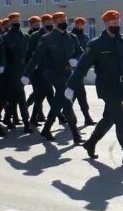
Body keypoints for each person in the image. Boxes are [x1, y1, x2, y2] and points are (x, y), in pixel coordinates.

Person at [66, 9, 123, 165]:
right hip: (107, 87)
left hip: (121, 87)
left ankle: (90, 143)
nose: (116, 26)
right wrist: (71, 86)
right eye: (113, 24)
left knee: (109, 118)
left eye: (118, 23)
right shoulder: (96, 44)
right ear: (106, 24)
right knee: (121, 117)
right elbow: (82, 67)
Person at [21, 11, 83, 143]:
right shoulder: (47, 39)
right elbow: (35, 58)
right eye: (60, 20)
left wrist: (76, 59)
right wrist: (26, 74)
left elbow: (80, 52)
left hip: (68, 73)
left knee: (58, 100)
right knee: (66, 99)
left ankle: (46, 128)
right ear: (54, 23)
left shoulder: (72, 37)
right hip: (53, 73)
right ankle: (75, 134)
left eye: (64, 19)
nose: (63, 22)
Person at [0, 12, 32, 133]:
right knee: (20, 97)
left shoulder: (25, 36)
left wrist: (28, 71)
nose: (16, 22)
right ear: (9, 22)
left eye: (18, 20)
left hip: (22, 69)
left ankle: (7, 118)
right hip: (11, 71)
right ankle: (26, 123)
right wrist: (3, 67)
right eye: (13, 20)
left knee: (13, 97)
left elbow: (30, 55)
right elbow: (3, 55)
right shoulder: (5, 37)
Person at [69, 17, 95, 126]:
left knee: (76, 93)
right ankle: (86, 117)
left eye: (82, 24)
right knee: (80, 93)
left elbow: (88, 51)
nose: (80, 26)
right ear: (74, 24)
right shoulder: (70, 36)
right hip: (73, 68)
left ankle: (64, 112)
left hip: (82, 67)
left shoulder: (85, 37)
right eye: (78, 24)